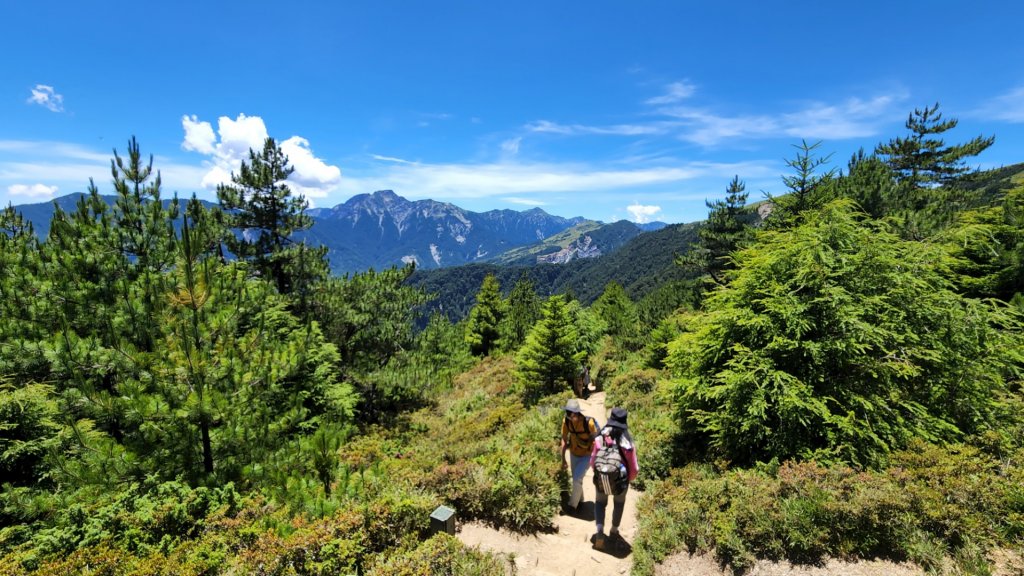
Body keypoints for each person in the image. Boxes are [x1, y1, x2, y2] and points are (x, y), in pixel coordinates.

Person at [590, 406, 638, 550]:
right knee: (619, 504)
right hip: (620, 481)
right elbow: (634, 468)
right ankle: (613, 531)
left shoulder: (600, 437)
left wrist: (600, 472)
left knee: (599, 503)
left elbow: (593, 461)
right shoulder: (627, 442)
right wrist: (628, 480)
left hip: (602, 478)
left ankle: (599, 531)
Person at [560, 398, 599, 515]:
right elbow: (563, 439)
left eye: (573, 413)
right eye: (569, 413)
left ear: (577, 412)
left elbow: (597, 440)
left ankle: (572, 507)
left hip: (587, 455)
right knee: (577, 479)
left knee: (577, 479)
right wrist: (563, 459)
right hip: (573, 453)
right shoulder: (566, 422)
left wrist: (596, 459)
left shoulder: (589, 423)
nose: (571, 416)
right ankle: (580, 500)